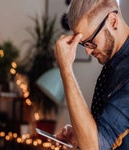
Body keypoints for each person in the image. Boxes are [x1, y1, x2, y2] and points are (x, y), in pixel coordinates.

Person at [54, 0, 129, 149]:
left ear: (113, 22)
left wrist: (66, 69)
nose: (87, 51)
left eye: (91, 42)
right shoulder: (113, 63)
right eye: (83, 44)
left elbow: (94, 147)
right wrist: (81, 135)